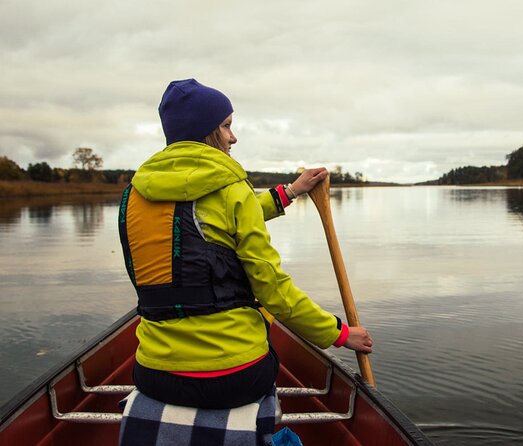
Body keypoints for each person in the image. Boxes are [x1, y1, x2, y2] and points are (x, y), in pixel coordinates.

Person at [118, 78, 373, 410]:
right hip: (233, 378)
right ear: (207, 130)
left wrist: (290, 192)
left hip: (153, 372)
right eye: (226, 126)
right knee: (264, 308)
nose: (233, 136)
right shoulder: (232, 190)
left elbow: (207, 224)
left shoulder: (132, 196)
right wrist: (339, 334)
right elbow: (275, 292)